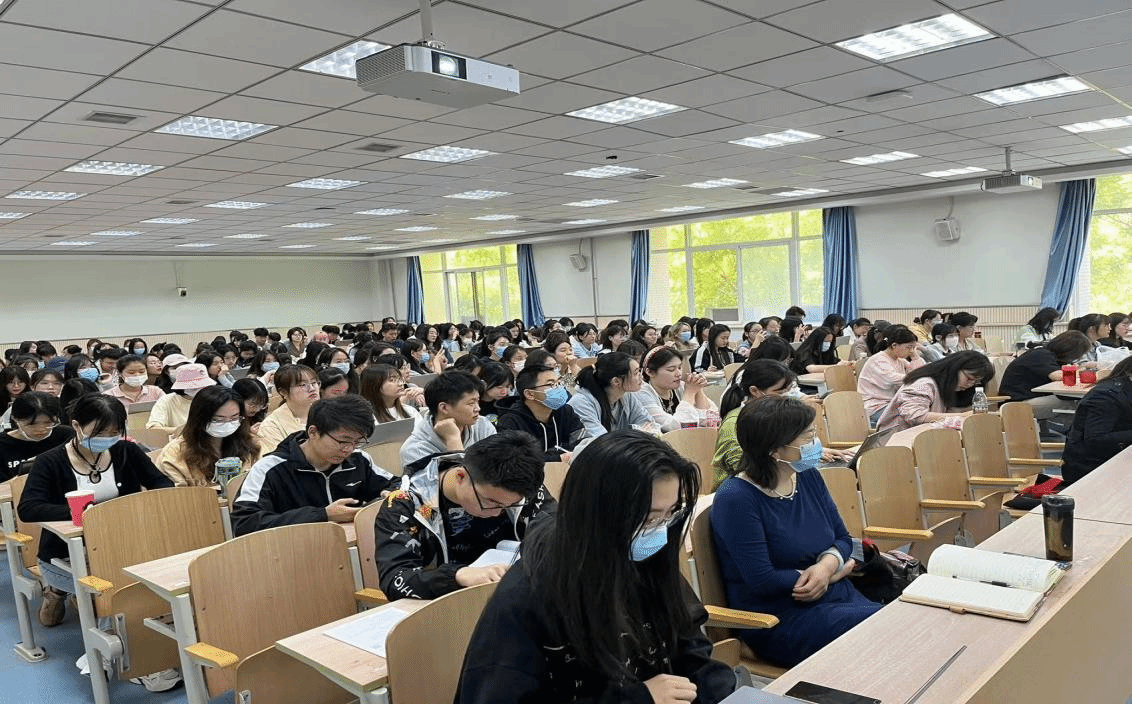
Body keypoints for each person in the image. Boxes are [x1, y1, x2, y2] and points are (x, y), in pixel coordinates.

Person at [455, 429, 737, 704]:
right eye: (649, 518)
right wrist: (637, 698)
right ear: (597, 512)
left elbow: (689, 648)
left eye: (669, 514)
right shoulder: (530, 594)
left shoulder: (644, 558)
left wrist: (721, 690)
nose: (659, 530)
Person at [711, 396, 880, 667]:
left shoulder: (807, 475)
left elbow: (843, 538)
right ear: (774, 449)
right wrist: (828, 574)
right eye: (808, 436)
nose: (816, 443)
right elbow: (762, 580)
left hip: (833, 594)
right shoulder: (736, 498)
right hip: (780, 617)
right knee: (882, 629)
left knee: (900, 620)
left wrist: (827, 568)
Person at [19, 394, 173, 627]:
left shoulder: (126, 451)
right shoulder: (50, 461)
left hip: (126, 545)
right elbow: (28, 509)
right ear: (76, 426)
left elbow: (162, 485)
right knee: (112, 588)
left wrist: (139, 506)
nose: (108, 438)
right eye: (99, 432)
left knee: (153, 579)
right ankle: (105, 643)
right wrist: (85, 512)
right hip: (67, 554)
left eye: (114, 432)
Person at [375, 431, 553, 600]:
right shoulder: (406, 505)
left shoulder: (520, 485)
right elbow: (394, 579)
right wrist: (458, 576)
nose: (497, 512)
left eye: (511, 505)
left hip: (513, 595)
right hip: (447, 606)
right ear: (460, 476)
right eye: (490, 502)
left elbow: (556, 527)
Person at [232, 395, 396, 536]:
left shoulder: (358, 459)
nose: (348, 449)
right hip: (292, 552)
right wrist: (322, 515)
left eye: (357, 442)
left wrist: (388, 493)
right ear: (313, 432)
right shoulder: (270, 468)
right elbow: (244, 523)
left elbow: (398, 484)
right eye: (342, 441)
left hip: (350, 547)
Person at [157, 386, 260, 487]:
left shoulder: (250, 443)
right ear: (199, 419)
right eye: (218, 419)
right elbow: (176, 495)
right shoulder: (175, 454)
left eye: (234, 418)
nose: (227, 424)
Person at [400, 371, 498, 472]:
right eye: (471, 403)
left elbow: (498, 470)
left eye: (477, 401)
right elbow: (459, 480)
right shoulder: (414, 450)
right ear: (444, 408)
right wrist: (453, 440)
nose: (478, 408)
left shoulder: (482, 425)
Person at [875, 351, 995, 433]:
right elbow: (914, 416)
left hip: (923, 440)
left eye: (975, 382)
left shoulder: (945, 387)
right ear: (954, 368)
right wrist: (962, 416)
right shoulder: (924, 384)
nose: (970, 385)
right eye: (969, 378)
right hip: (896, 443)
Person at [1061, 356, 1132, 485]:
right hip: (1091, 467)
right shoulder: (1106, 397)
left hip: (1115, 458)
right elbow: (1096, 439)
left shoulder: (1122, 389)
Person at [495, 365, 589, 463]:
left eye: (559, 383)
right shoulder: (510, 422)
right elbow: (515, 460)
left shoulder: (565, 411)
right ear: (529, 394)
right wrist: (557, 458)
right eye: (551, 384)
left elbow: (582, 442)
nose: (559, 388)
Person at [998, 331, 1095, 420]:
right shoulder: (1041, 355)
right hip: (1016, 403)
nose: (1078, 358)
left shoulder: (1047, 354)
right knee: (1075, 403)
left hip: (1026, 398)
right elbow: (1058, 376)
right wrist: (1082, 370)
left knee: (1077, 401)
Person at [567, 352, 652, 437]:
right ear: (616, 381)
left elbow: (648, 424)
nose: (641, 376)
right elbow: (600, 440)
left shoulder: (627, 395)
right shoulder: (582, 403)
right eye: (636, 373)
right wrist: (635, 433)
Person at [856, 326, 926, 425]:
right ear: (894, 345)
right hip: (876, 407)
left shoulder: (899, 360)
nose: (911, 351)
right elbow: (893, 379)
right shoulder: (878, 360)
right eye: (909, 347)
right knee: (913, 417)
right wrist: (915, 376)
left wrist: (915, 357)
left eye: (913, 348)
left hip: (892, 404)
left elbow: (920, 373)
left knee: (920, 411)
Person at [637, 346, 716, 432]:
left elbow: (711, 418)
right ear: (650, 372)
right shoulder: (642, 394)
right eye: (671, 370)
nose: (678, 374)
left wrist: (698, 390)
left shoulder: (680, 387)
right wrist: (690, 393)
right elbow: (677, 427)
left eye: (679, 368)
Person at [0, 392, 74, 480]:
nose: (41, 429)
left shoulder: (66, 435)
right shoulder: (3, 444)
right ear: (15, 418)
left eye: (48, 423)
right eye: (32, 424)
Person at [257, 364, 321, 452]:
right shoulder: (271, 425)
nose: (312, 388)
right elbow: (274, 458)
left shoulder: (327, 411)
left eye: (314, 383)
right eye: (303, 385)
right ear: (283, 392)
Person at [147, 363, 214, 435]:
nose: (199, 388)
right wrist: (181, 430)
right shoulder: (167, 400)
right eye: (194, 386)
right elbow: (153, 428)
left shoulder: (213, 399)